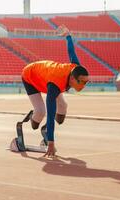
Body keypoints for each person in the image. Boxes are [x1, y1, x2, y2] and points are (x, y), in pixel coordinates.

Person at [21, 25, 89, 157]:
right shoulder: (54, 85)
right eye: (83, 82)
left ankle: (45, 129)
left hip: (46, 76)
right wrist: (51, 143)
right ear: (73, 79)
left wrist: (68, 35)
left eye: (87, 82)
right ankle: (33, 118)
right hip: (30, 76)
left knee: (63, 106)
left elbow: (71, 50)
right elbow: (51, 116)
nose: (85, 85)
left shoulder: (76, 68)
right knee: (41, 112)